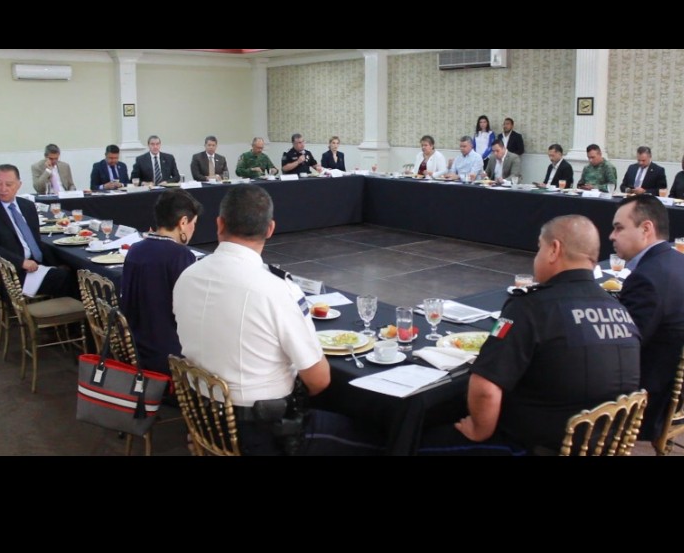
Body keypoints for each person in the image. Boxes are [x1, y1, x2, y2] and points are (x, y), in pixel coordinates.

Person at [173, 185, 384, 456]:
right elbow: (319, 380)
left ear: (219, 224)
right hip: (262, 434)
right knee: (384, 438)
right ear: (270, 229)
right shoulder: (275, 289)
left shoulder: (188, 276)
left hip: (204, 419)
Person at [418, 215, 640, 455]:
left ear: (554, 250)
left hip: (537, 446)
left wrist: (478, 429)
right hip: (603, 444)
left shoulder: (530, 307)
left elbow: (485, 388)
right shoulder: (619, 309)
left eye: (539, 248)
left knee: (416, 436)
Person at [609, 194, 684, 441]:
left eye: (619, 228)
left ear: (646, 229)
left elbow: (623, 349)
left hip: (655, 402)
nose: (612, 236)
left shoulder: (646, 277)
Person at [120, 189, 202, 376]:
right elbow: (190, 311)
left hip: (134, 347)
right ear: (183, 222)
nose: (193, 229)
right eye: (194, 223)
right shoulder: (180, 255)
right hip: (168, 355)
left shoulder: (135, 249)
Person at [0, 164, 76, 298]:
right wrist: (21, 262)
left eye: (9, 184)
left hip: (38, 264)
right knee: (69, 279)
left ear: (19, 185)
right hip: (14, 271)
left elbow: (36, 241)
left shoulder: (27, 206)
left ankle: (71, 310)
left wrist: (58, 262)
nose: (3, 189)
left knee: (79, 270)